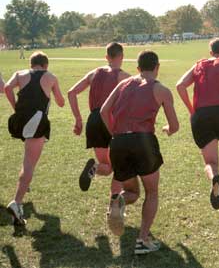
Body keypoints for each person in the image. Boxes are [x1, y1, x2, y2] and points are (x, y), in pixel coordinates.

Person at [100, 50, 179, 254]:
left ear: (137, 68)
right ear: (157, 66)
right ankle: (142, 239)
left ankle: (118, 201)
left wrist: (115, 134)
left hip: (118, 142)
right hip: (143, 142)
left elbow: (103, 111)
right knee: (151, 192)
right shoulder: (161, 89)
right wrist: (167, 130)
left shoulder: (123, 83)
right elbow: (174, 125)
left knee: (132, 192)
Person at [176, 38, 219, 217]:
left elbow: (180, 85)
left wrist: (192, 109)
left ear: (210, 52)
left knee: (210, 162)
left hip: (202, 116)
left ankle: (214, 177)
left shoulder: (199, 65)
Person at [4, 51, 65, 225]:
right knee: (29, 163)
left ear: (31, 64)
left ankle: (24, 185)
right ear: (45, 65)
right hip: (36, 121)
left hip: (18, 120)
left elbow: (7, 88)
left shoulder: (20, 74)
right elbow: (61, 102)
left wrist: (15, 107)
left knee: (27, 159)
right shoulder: (50, 76)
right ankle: (17, 202)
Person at [67, 42, 130, 192]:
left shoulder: (94, 73)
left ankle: (94, 168)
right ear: (122, 56)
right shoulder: (123, 76)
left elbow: (71, 92)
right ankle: (116, 204)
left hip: (94, 120)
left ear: (106, 56)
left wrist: (78, 119)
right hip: (111, 120)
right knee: (120, 164)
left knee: (107, 167)